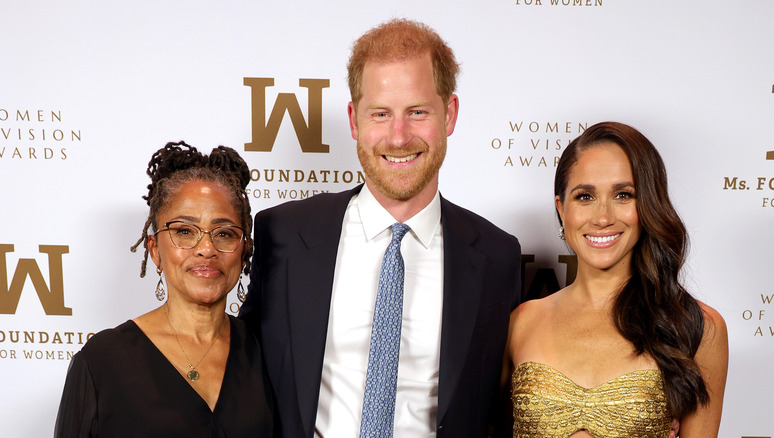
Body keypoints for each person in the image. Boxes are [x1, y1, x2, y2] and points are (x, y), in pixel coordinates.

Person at [238, 19, 523, 437]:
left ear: (450, 114)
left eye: (418, 112)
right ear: (355, 121)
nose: (398, 136)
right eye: (381, 114)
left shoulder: (498, 256)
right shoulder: (282, 234)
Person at [503, 122, 728, 437]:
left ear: (647, 206)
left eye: (623, 195)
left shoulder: (697, 327)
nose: (603, 217)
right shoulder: (521, 322)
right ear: (561, 209)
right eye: (585, 197)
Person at [54, 142, 273, 437]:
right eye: (185, 231)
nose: (206, 249)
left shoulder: (269, 354)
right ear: (155, 250)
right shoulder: (102, 362)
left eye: (224, 233)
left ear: (244, 250)